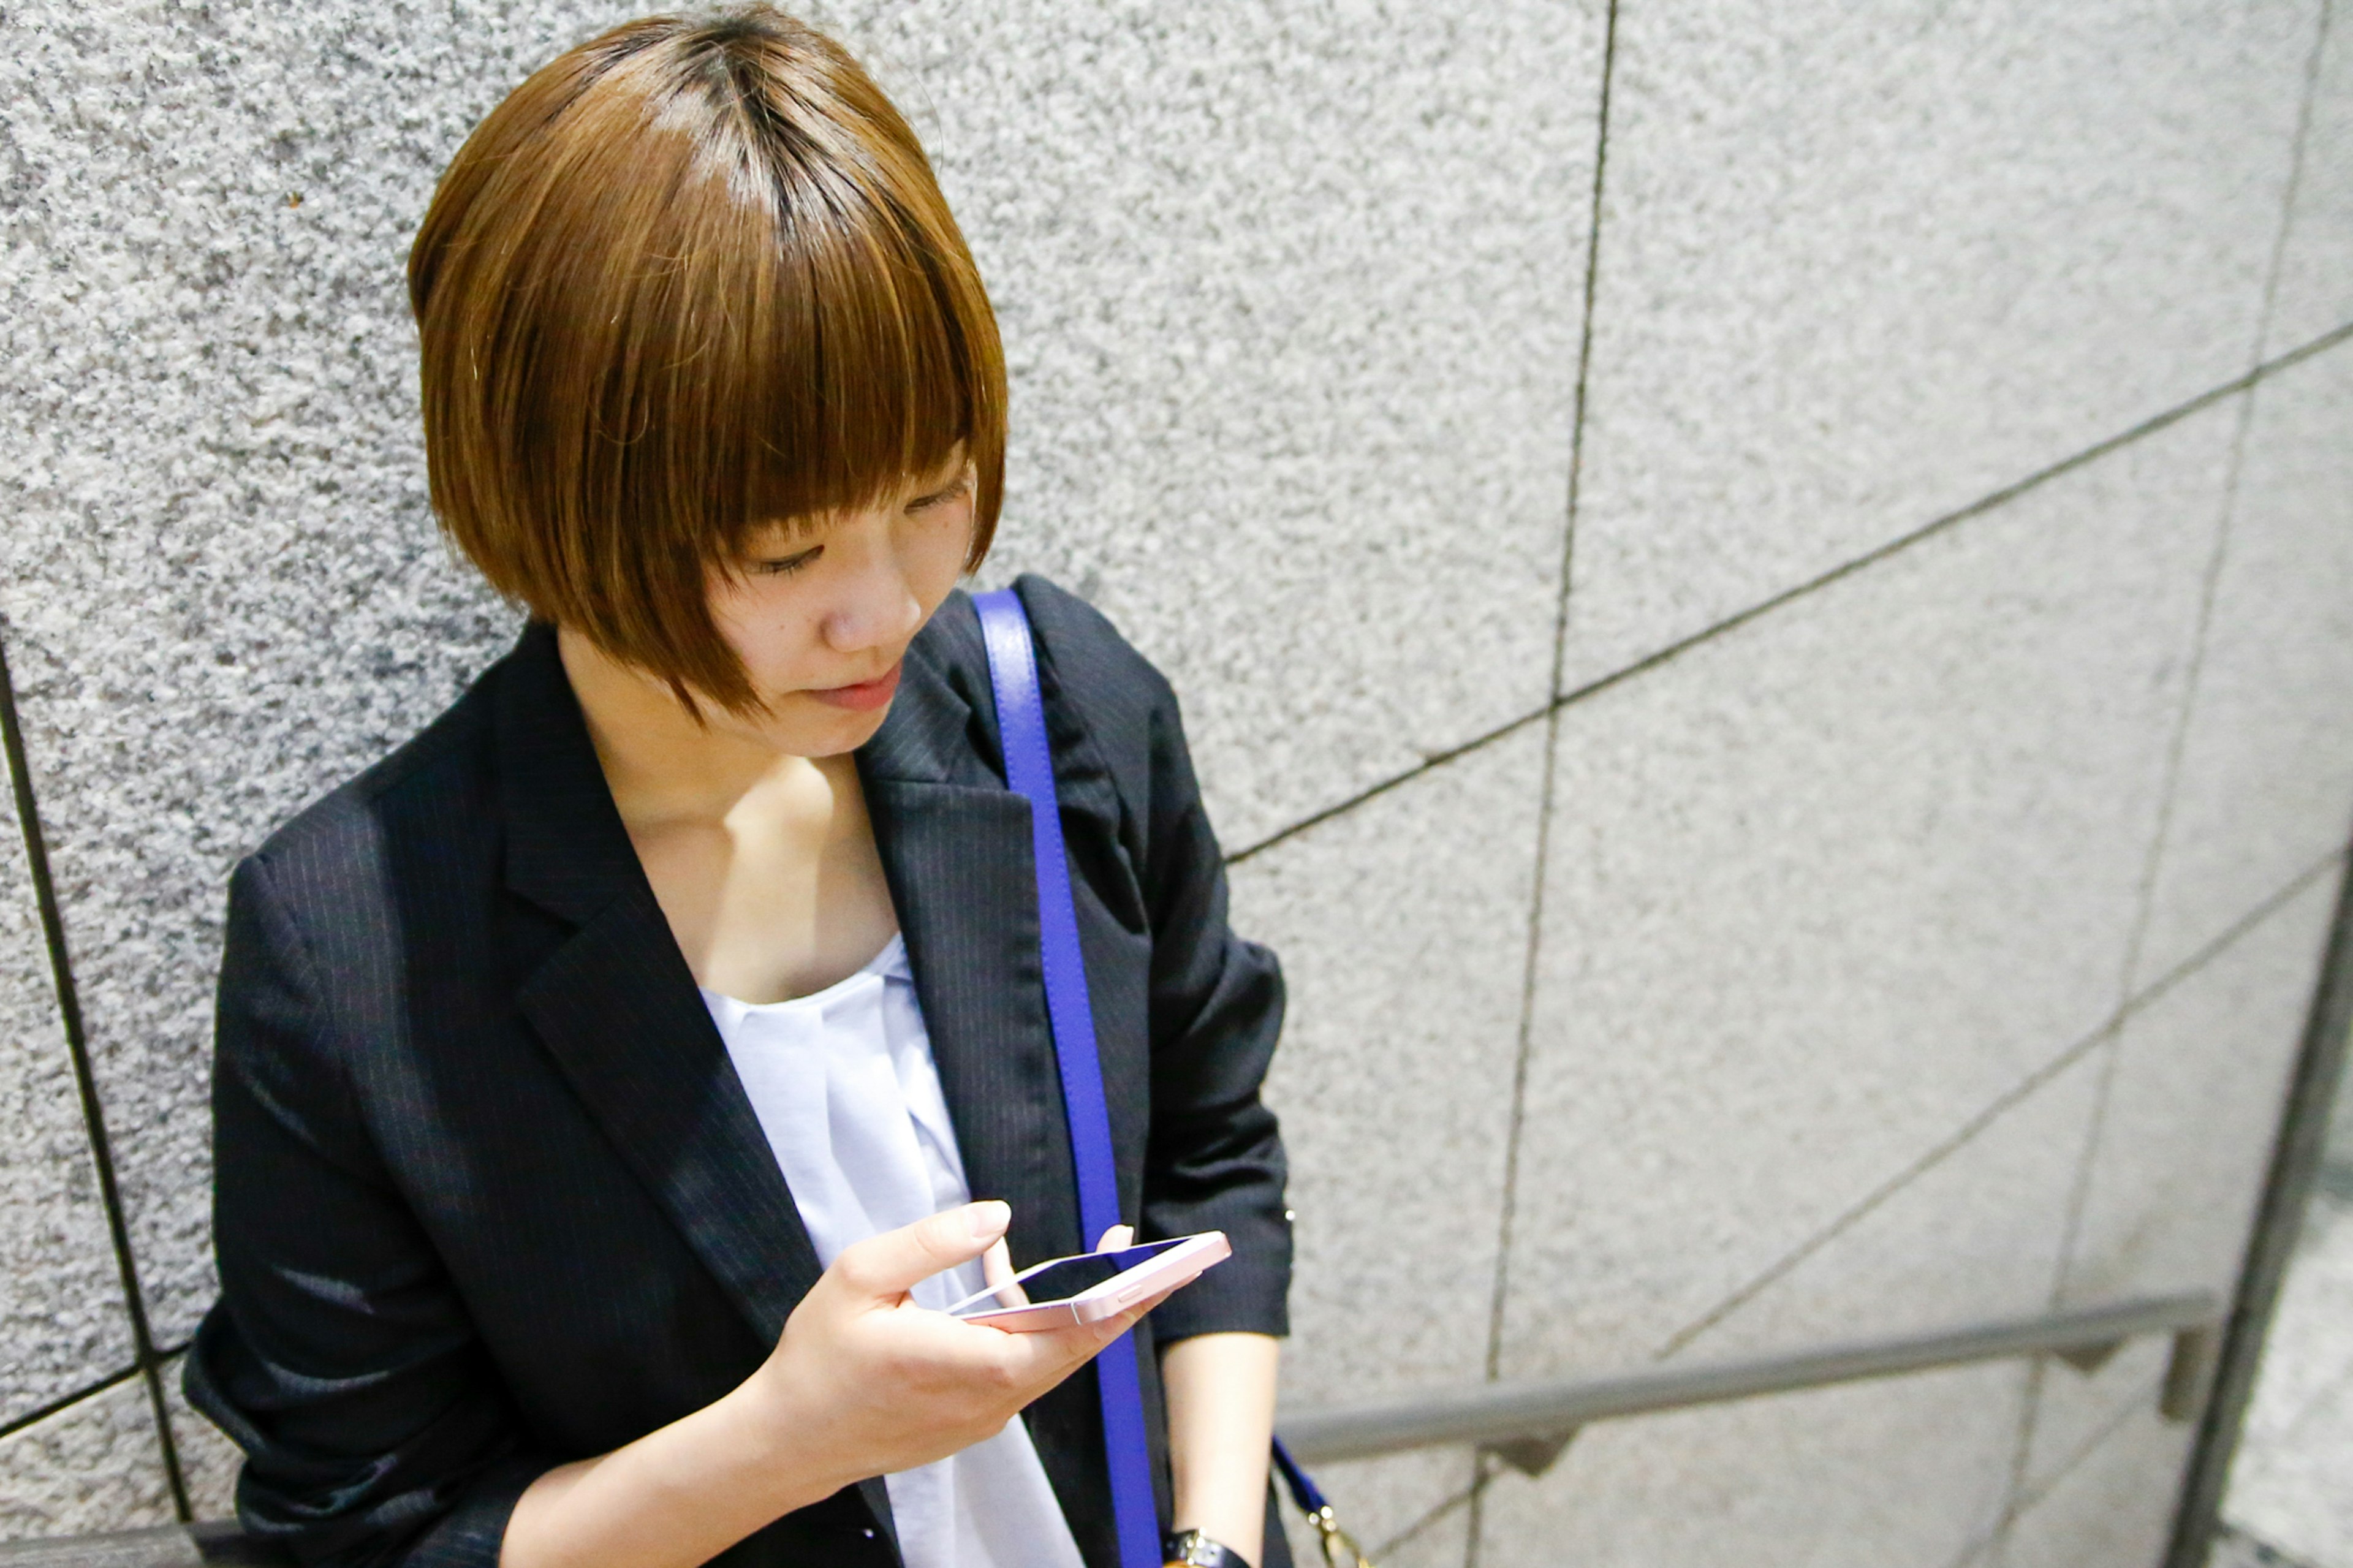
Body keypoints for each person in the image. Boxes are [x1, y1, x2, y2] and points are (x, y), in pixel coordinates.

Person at [183, 10, 1293, 1568]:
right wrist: (790, 1438)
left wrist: (1216, 1547)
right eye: (784, 552)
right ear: (553, 508)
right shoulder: (358, 952)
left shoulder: (1058, 712)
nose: (887, 606)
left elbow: (1212, 1156)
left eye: (931, 490)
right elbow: (365, 1532)